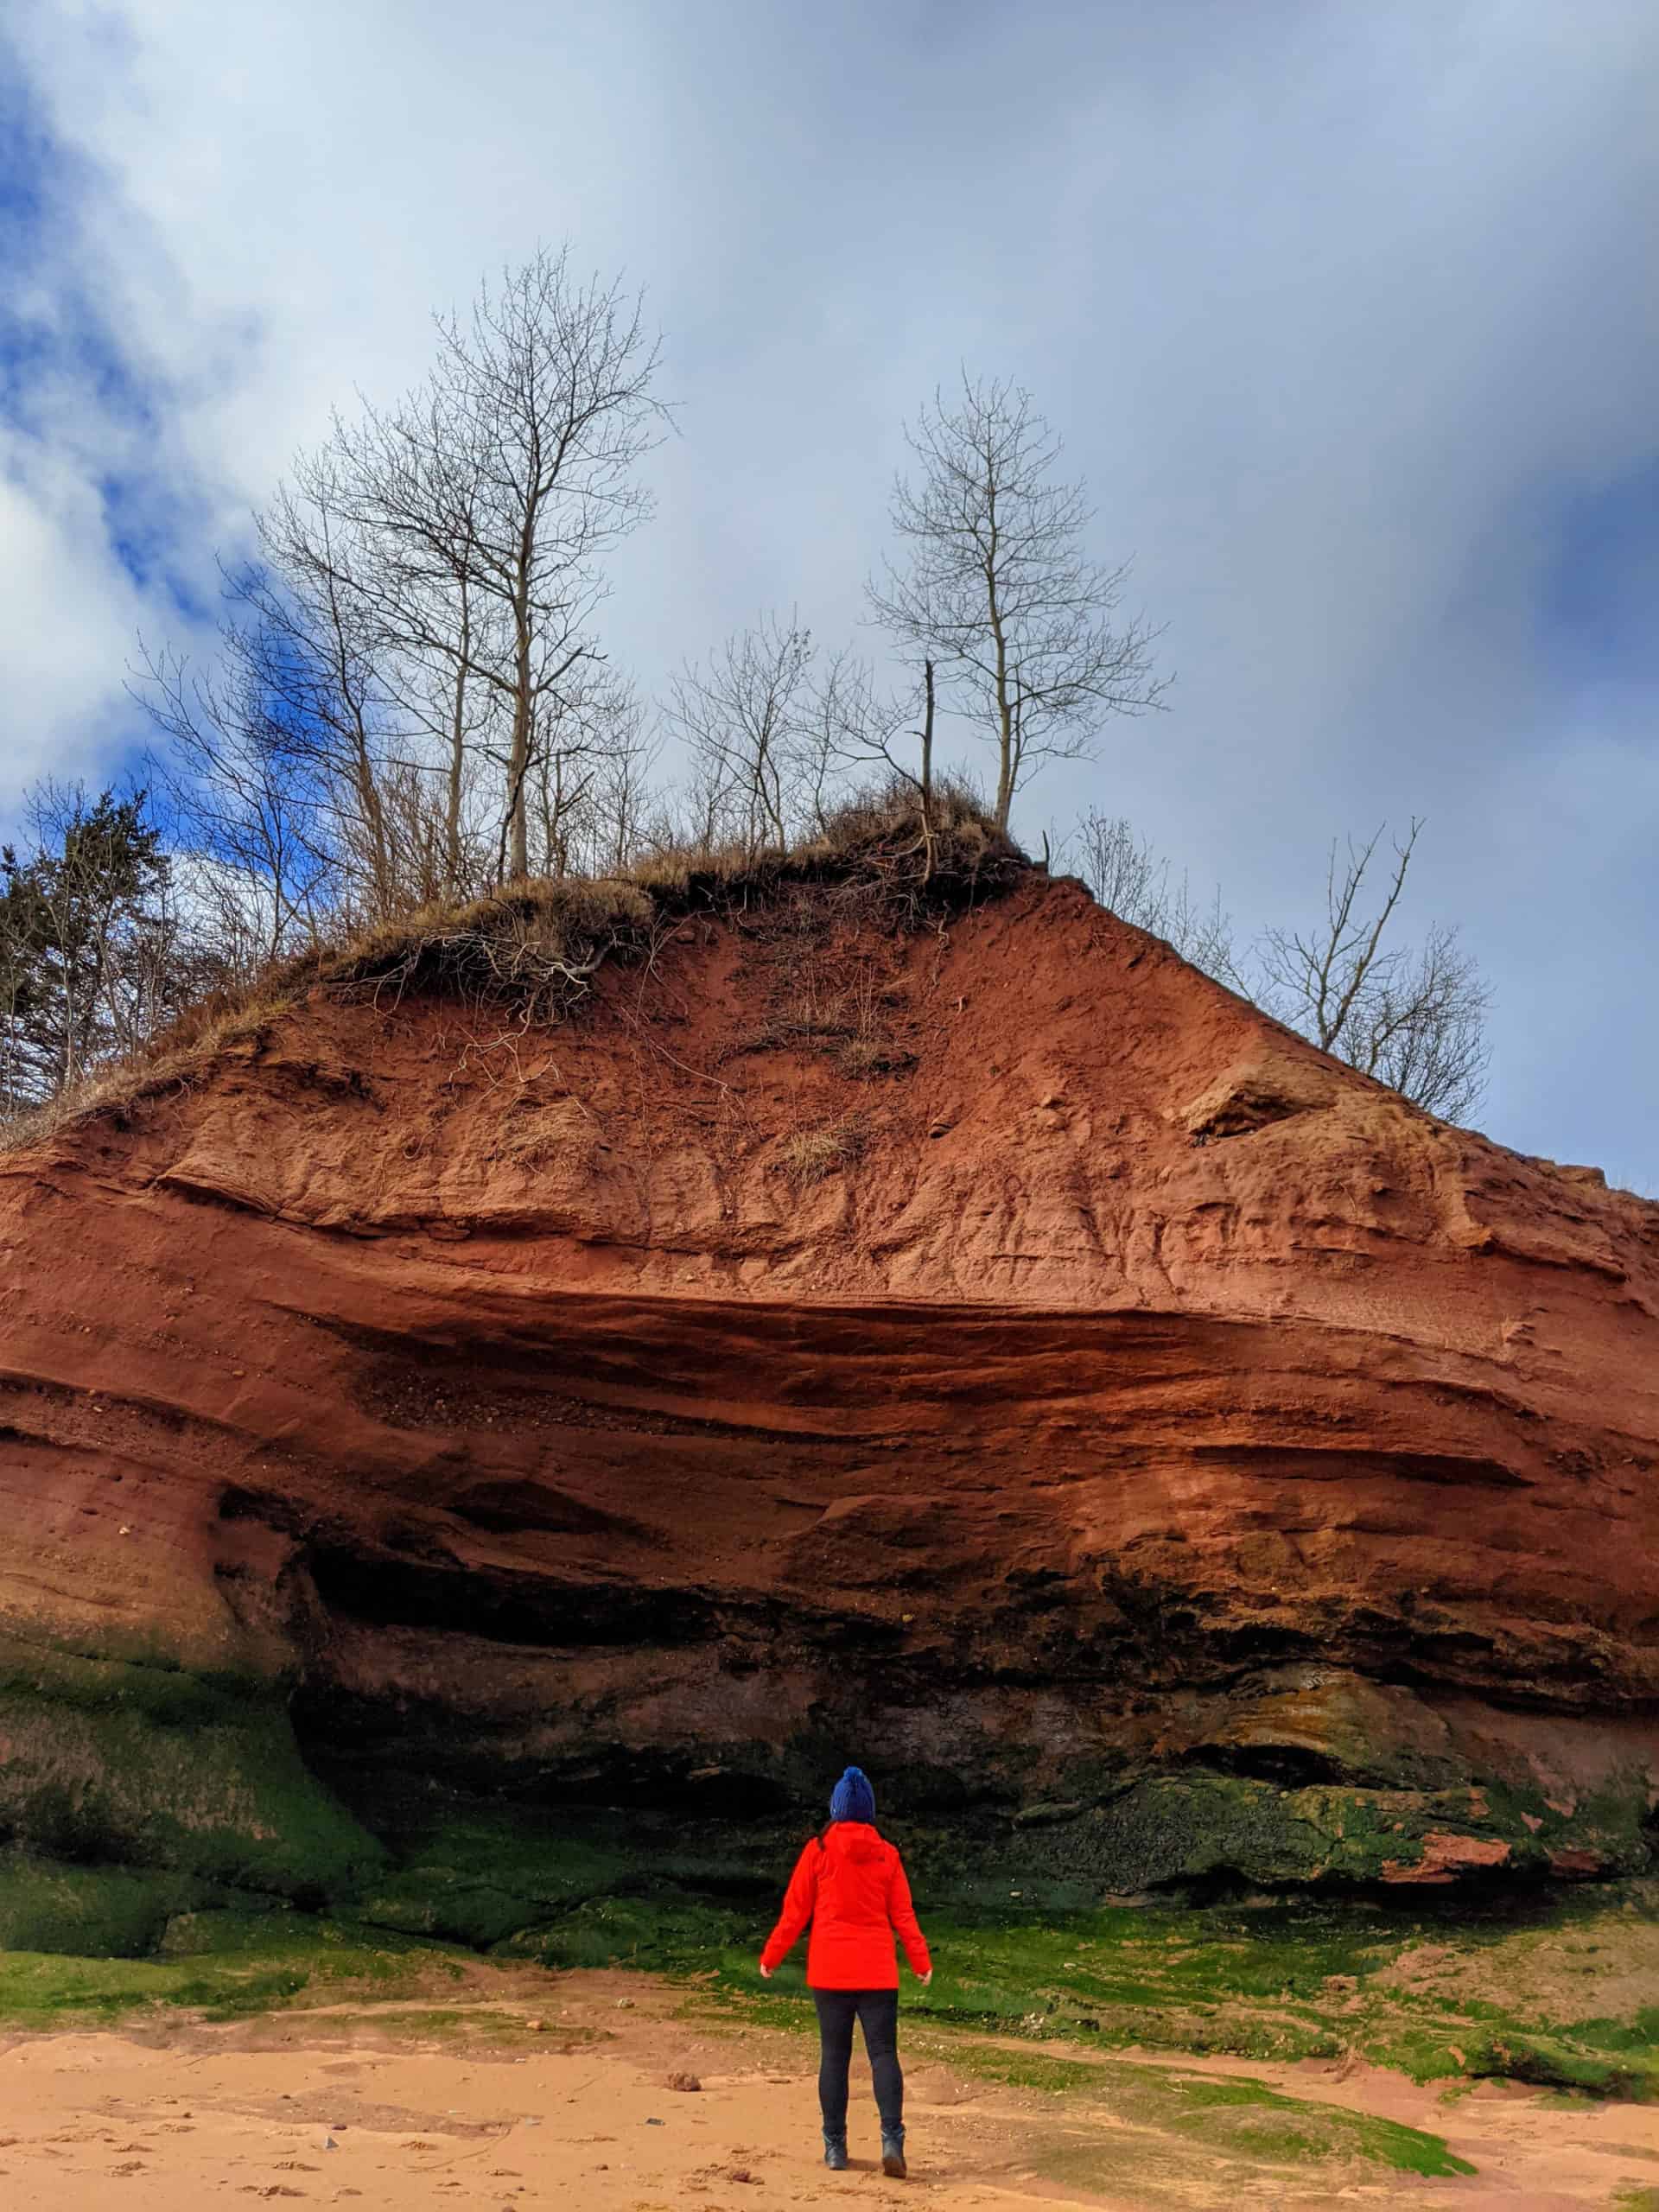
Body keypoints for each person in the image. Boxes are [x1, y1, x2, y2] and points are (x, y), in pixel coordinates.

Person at [759, 1765, 932, 2178]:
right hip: (877, 1973)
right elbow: (903, 1915)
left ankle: (835, 2147)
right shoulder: (887, 1854)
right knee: (884, 2056)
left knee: (834, 2058)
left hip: (830, 1971)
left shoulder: (817, 1850)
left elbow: (795, 1912)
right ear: (870, 1811)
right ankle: (892, 2139)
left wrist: (772, 1955)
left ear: (836, 1809)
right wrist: (921, 1960)